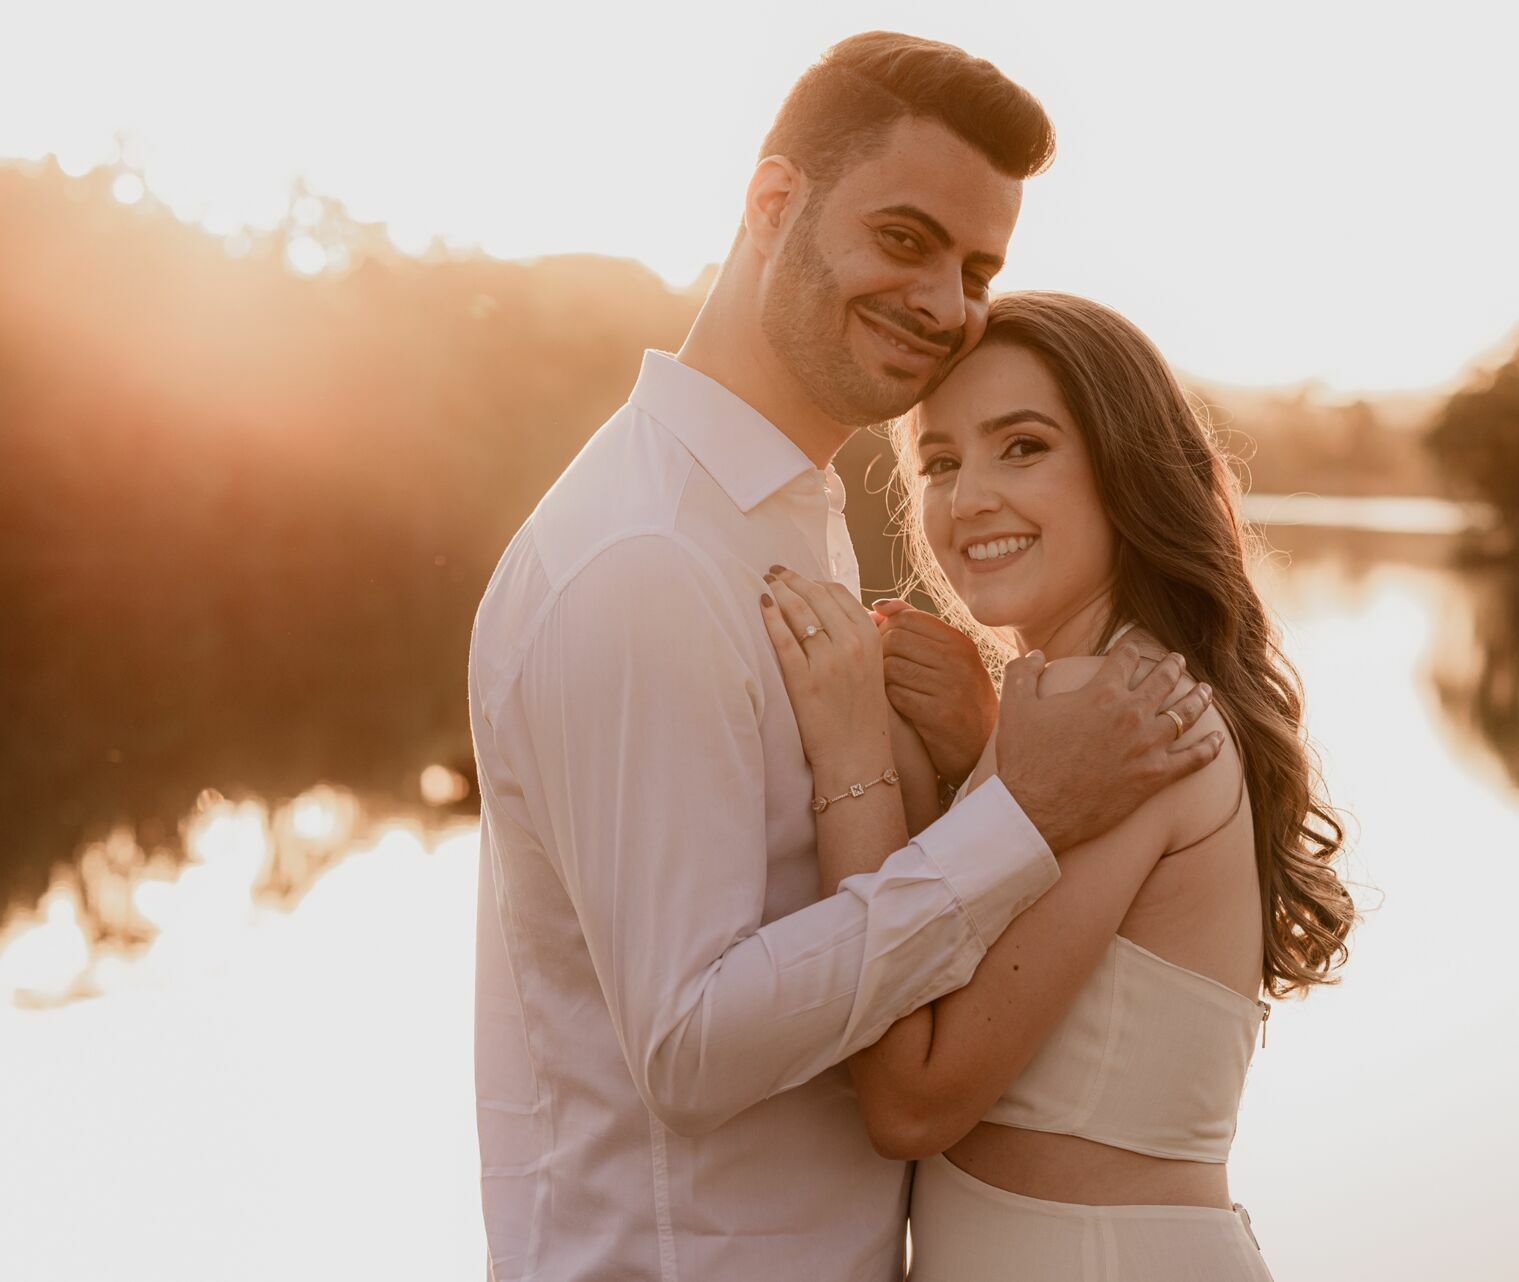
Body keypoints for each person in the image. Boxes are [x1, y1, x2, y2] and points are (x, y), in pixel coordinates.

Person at [466, 34, 1224, 1282]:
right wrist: (1022, 814)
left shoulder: (781, 513)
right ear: (775, 205)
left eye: (980, 267)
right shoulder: (644, 558)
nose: (946, 305)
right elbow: (691, 1046)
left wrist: (983, 757)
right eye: (908, 239)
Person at [757, 292, 1356, 1280]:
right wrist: (975, 759)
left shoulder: (1120, 709)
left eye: (1022, 446)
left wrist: (852, 748)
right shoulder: (1100, 696)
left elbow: (912, 1100)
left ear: (1124, 470)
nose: (970, 495)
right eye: (941, 462)